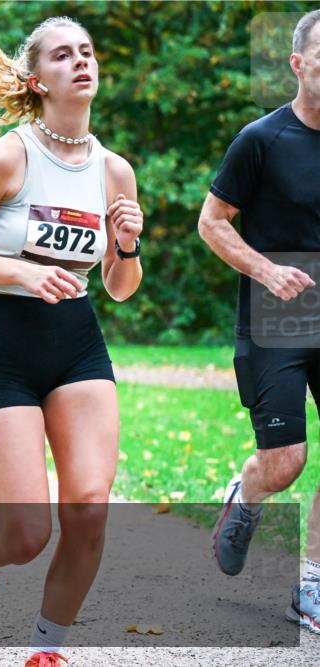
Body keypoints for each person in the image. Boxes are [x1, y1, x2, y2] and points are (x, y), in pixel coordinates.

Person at [0, 16, 144, 666]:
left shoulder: (115, 171)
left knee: (89, 506)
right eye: (62, 55)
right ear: (35, 79)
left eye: (87, 52)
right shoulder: (8, 156)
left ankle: (46, 650)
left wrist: (127, 244)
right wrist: (22, 270)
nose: (81, 62)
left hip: (76, 341)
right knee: (26, 533)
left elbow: (121, 286)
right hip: (1, 339)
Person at [199, 9, 320, 634]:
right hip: (278, 311)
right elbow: (212, 222)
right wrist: (267, 271)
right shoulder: (261, 139)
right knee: (286, 462)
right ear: (298, 64)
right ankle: (246, 493)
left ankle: (311, 585)